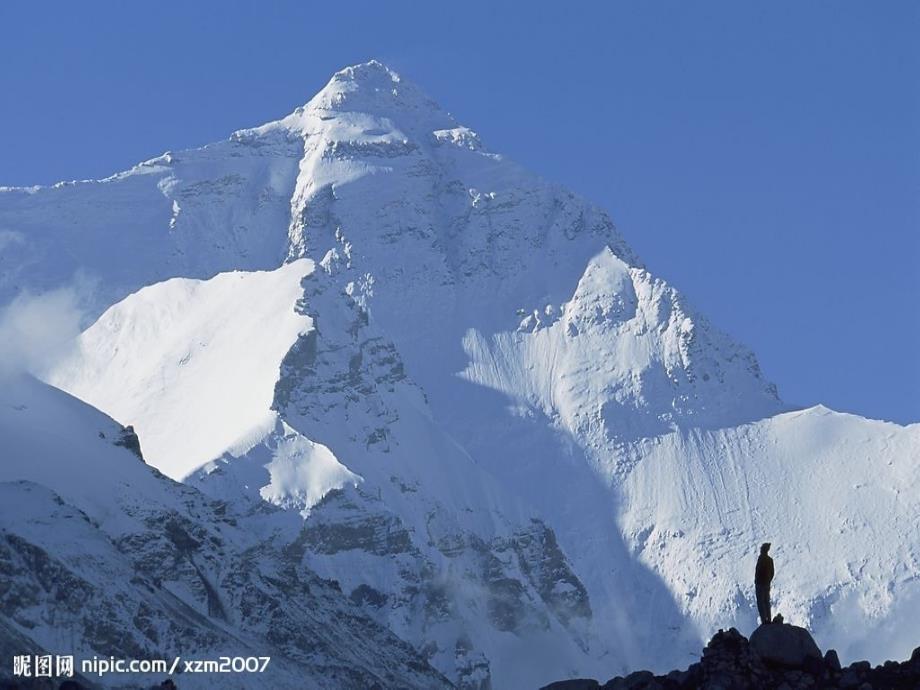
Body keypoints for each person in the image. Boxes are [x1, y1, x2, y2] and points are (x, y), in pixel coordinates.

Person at [755, 542, 774, 625]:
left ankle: (764, 620)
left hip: (760, 584)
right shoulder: (770, 560)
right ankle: (769, 618)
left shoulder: (761, 559)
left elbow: (758, 571)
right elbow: (772, 572)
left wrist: (757, 581)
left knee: (761, 602)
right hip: (766, 584)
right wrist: (768, 580)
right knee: (766, 601)